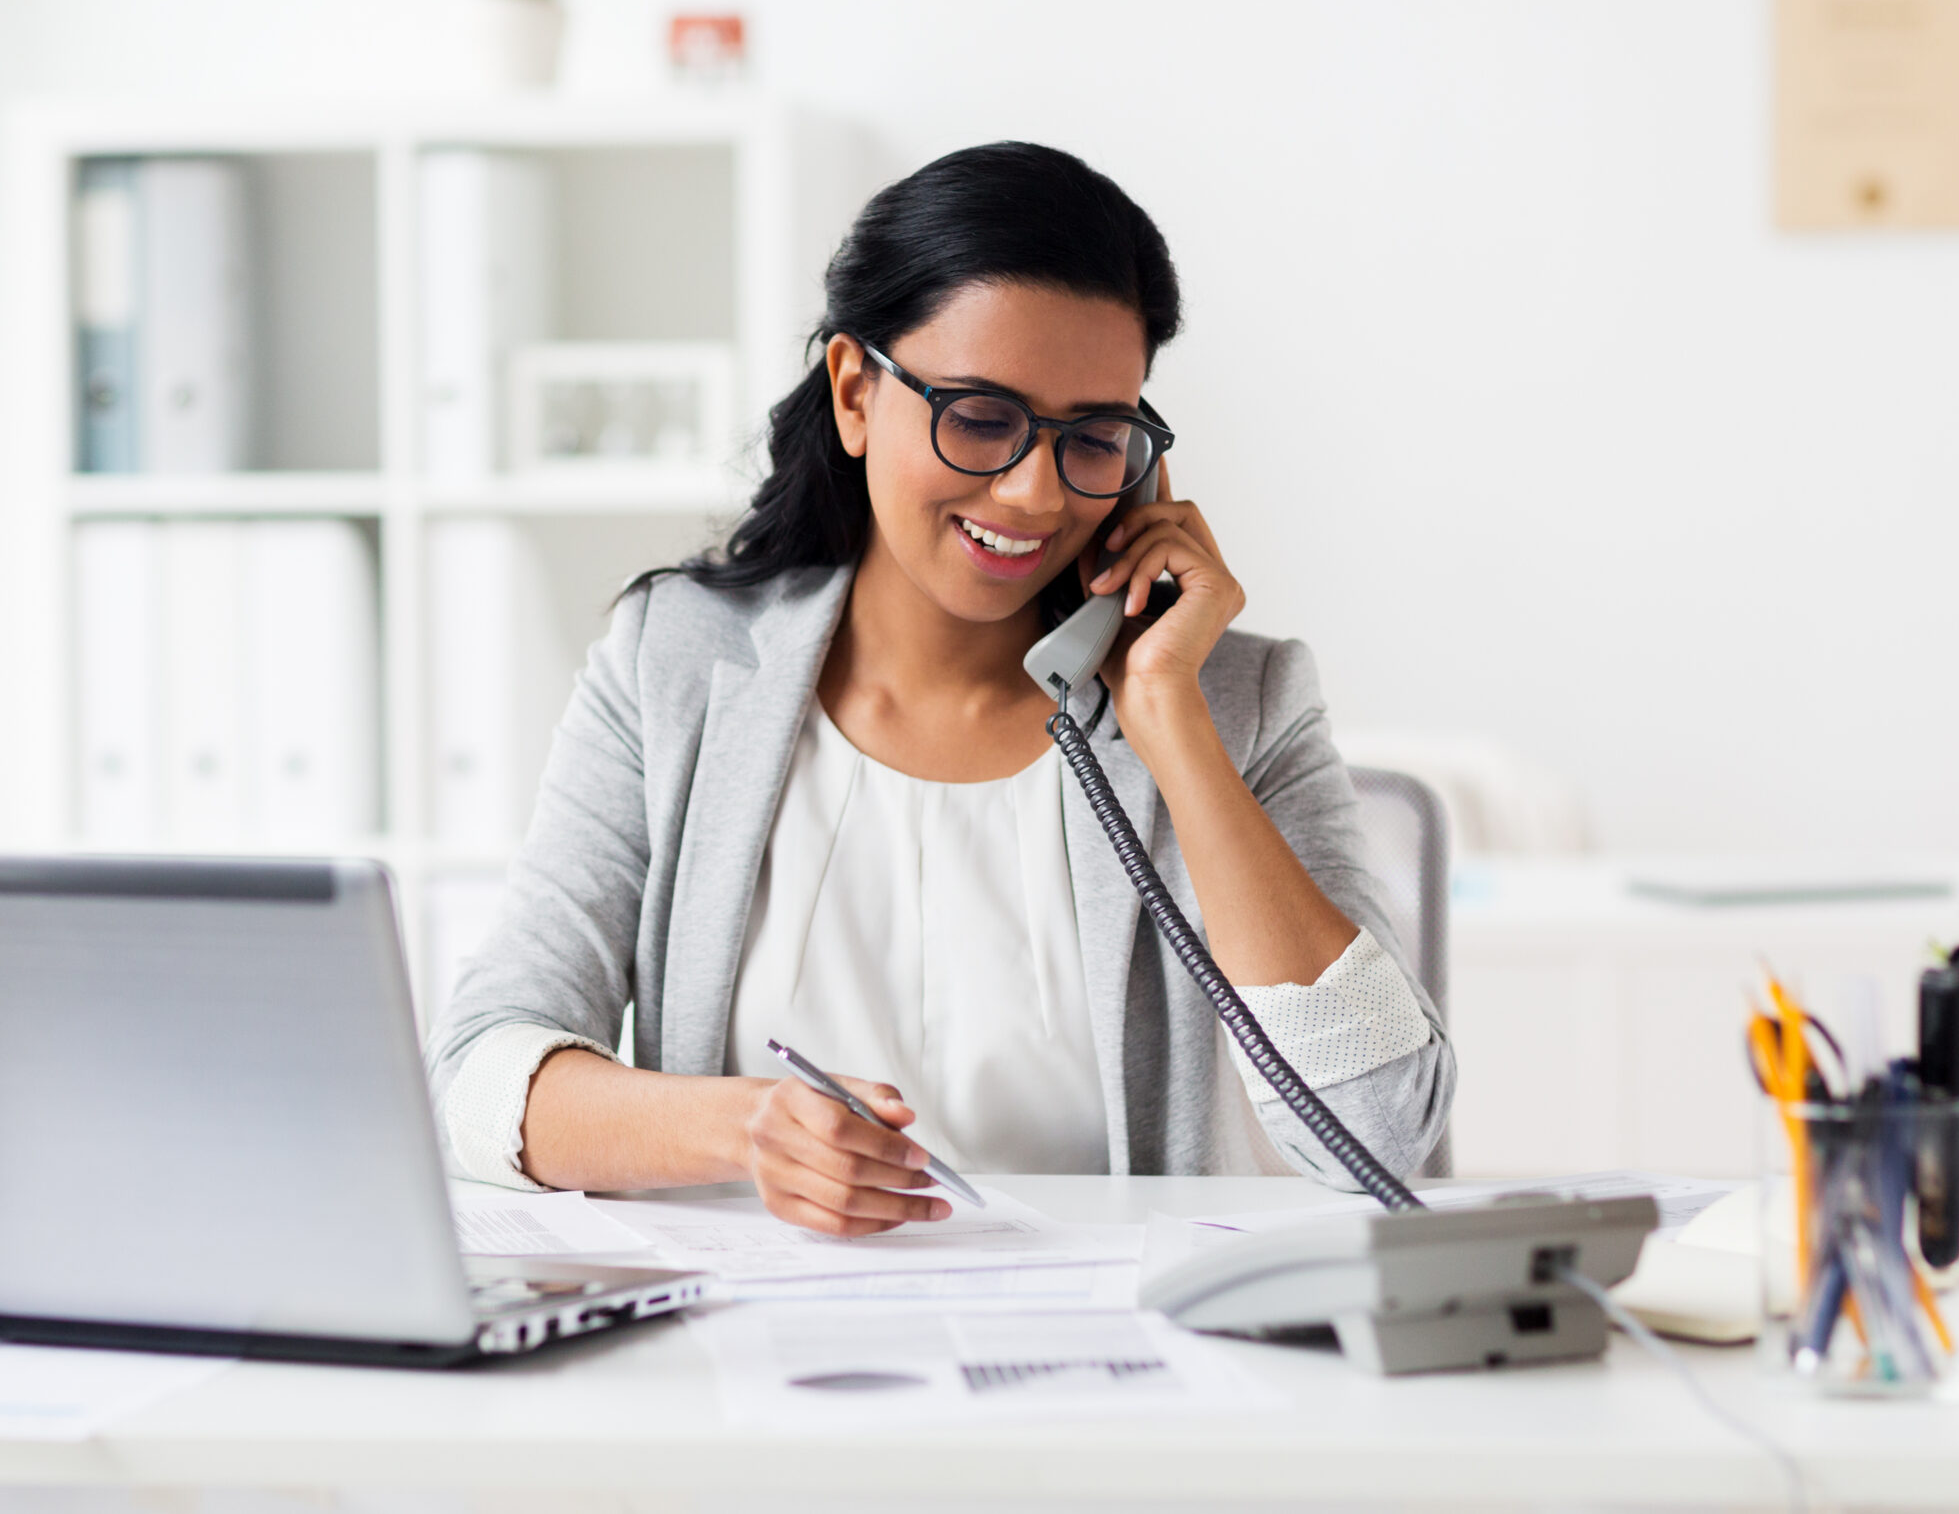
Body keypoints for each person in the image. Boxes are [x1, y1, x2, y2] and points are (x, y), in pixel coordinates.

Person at [427, 143, 1452, 1234]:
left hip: (1123, 1362)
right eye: (978, 416)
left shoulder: (1233, 697)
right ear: (855, 392)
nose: (1032, 490)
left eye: (1093, 437)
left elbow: (1384, 1130)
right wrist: (745, 1129)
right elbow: (481, 1077)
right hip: (760, 1364)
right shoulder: (676, 667)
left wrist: (1169, 722)